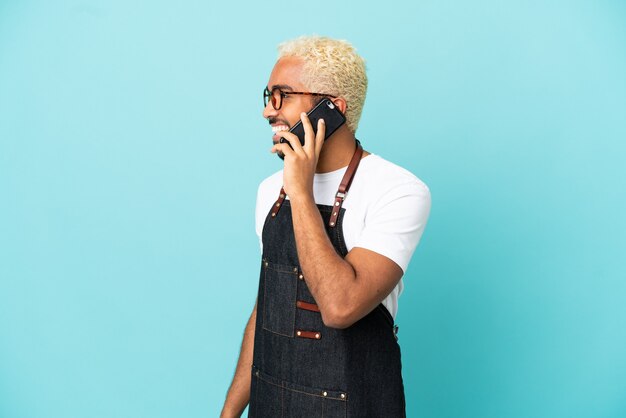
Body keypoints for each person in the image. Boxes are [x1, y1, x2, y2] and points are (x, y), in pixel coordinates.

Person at [220, 36, 431, 418]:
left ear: (331, 108)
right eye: (268, 95)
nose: (269, 111)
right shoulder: (270, 190)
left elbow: (340, 306)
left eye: (283, 95)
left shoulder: (398, 190)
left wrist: (300, 192)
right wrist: (229, 413)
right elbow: (269, 307)